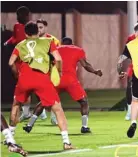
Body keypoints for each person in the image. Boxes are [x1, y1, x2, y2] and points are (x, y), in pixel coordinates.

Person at [8, 21, 74, 149]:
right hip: (41, 79)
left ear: (25, 33)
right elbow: (59, 59)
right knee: (58, 110)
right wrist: (59, 72)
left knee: (16, 105)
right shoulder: (48, 41)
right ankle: (66, 142)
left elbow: (11, 62)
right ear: (38, 31)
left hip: (24, 79)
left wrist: (17, 75)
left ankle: (10, 138)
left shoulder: (20, 45)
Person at [23, 37, 103, 133]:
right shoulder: (78, 50)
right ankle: (84, 127)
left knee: (44, 102)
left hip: (56, 80)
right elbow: (85, 65)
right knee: (83, 102)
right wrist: (95, 71)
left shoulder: (55, 49)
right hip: (71, 81)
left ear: (61, 43)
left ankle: (29, 125)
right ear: (72, 43)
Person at [4, 6, 33, 122]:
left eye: (20, 15)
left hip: (27, 61)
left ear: (26, 16)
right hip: (19, 61)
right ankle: (27, 112)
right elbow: (15, 38)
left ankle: (41, 111)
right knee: (23, 86)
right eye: (17, 15)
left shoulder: (30, 27)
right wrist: (7, 42)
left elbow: (26, 42)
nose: (18, 17)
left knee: (29, 86)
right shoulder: (17, 26)